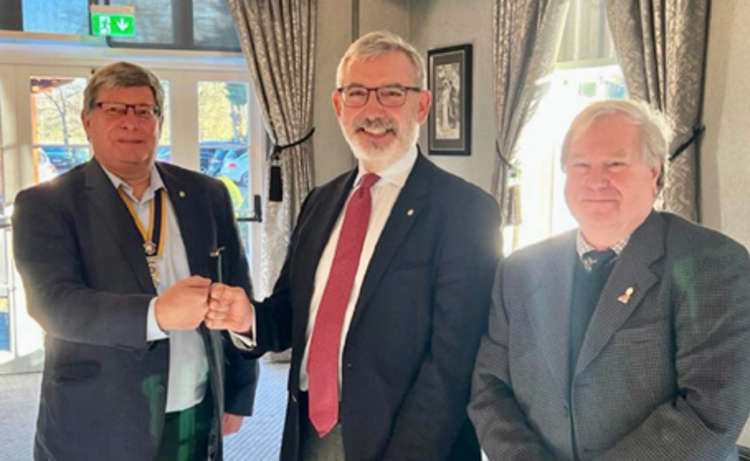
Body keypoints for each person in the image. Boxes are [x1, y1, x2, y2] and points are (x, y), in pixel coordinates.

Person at [205, 31, 500, 461]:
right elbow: (293, 312)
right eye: (358, 94)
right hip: (310, 429)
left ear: (422, 105)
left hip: (409, 443)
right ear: (339, 106)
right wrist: (247, 317)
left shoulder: (466, 211)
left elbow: (453, 367)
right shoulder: (321, 201)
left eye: (392, 93)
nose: (373, 111)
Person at [468, 99, 750, 461]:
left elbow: (713, 411)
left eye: (615, 164)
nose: (596, 180)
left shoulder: (712, 263)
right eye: (580, 165)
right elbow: (489, 389)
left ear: (655, 172)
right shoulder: (520, 270)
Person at [12, 61, 258, 461]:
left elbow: (237, 291)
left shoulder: (206, 195)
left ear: (159, 121)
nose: (132, 123)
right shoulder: (47, 204)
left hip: (194, 403)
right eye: (115, 109)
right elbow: (53, 304)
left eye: (144, 110)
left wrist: (239, 390)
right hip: (99, 419)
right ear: (88, 121)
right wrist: (156, 313)